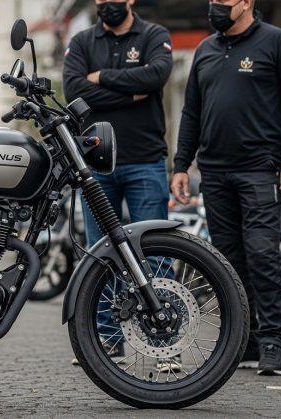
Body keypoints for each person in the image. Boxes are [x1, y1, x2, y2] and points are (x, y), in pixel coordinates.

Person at [171, 0, 281, 376]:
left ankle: (271, 342)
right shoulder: (205, 49)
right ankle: (242, 341)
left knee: (263, 255)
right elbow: (192, 112)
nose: (215, 7)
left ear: (247, 2)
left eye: (224, 1)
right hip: (214, 173)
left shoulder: (277, 42)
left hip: (260, 170)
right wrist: (181, 165)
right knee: (228, 261)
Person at [63, 0, 174, 370]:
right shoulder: (81, 41)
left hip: (145, 160)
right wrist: (130, 91)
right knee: (101, 255)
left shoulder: (154, 35)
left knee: (156, 251)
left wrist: (101, 78)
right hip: (95, 165)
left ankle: (166, 343)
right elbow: (74, 91)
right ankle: (107, 342)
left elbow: (155, 77)